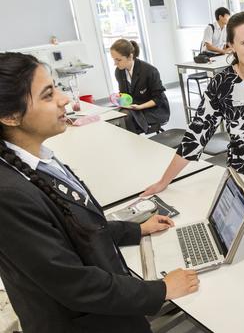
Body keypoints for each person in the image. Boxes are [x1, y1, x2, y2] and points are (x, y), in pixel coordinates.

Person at [0, 52, 199, 333]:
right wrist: (161, 290)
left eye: (56, 87)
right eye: (47, 95)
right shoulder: (9, 194)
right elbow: (76, 285)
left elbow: (76, 224)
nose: (64, 100)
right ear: (9, 116)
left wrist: (135, 230)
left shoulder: (37, 158)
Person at [142, 11, 244, 195]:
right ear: (231, 46)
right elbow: (197, 133)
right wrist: (164, 181)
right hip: (240, 170)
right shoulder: (222, 83)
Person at [110, 39, 170, 134]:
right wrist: (118, 100)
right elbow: (124, 94)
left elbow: (159, 99)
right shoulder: (119, 71)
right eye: (114, 60)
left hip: (155, 109)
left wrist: (140, 107)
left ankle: (134, 145)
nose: (115, 63)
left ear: (130, 56)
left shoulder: (149, 71)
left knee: (125, 117)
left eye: (118, 60)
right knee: (116, 116)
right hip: (134, 106)